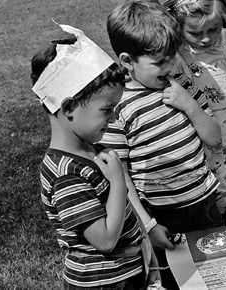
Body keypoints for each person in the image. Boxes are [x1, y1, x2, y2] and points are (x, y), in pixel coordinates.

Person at [103, 1, 224, 289]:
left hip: (204, 202)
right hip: (163, 214)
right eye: (159, 62)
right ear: (127, 61)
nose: (170, 66)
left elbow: (214, 137)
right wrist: (148, 225)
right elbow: (120, 175)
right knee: (177, 282)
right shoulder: (116, 106)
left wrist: (190, 106)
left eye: (172, 57)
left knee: (221, 274)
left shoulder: (180, 84)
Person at [33, 24, 160, 289]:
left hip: (123, 275)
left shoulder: (90, 149)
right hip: (103, 283)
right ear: (68, 107)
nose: (113, 118)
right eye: (107, 110)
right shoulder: (66, 174)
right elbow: (104, 240)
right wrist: (117, 182)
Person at [165, 0, 226, 223]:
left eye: (213, 29)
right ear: (178, 26)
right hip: (208, 145)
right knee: (215, 207)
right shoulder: (177, 56)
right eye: (195, 32)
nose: (206, 38)